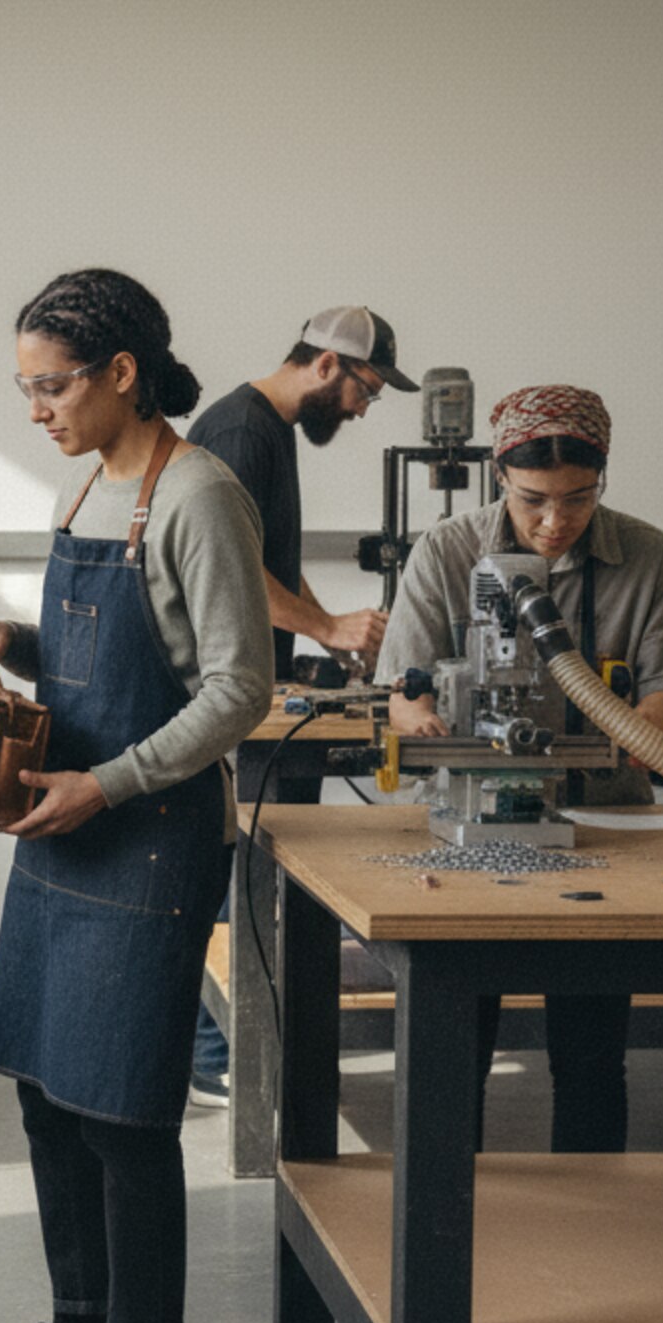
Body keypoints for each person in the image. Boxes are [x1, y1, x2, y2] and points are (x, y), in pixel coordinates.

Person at [0, 268, 270, 1323]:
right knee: (44, 1090)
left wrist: (110, 783)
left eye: (50, 386)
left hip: (145, 837)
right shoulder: (87, 486)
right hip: (61, 827)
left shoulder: (198, 494)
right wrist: (8, 642)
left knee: (123, 1112)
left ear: (120, 372)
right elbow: (92, 655)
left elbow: (239, 687)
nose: (36, 410)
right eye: (24, 389)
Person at [379, 384, 663, 1151]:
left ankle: (592, 1235)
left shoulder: (646, 553)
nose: (555, 522)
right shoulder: (449, 550)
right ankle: (446, 1221)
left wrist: (627, 738)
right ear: (500, 476)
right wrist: (422, 722)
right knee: (459, 1045)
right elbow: (404, 687)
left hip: (606, 829)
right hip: (468, 830)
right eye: (534, 501)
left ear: (602, 482)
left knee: (591, 1053)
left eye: (577, 499)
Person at [182, 305, 420, 1106]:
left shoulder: (268, 428)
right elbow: (232, 571)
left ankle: (230, 1044)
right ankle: (219, 1056)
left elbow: (269, 558)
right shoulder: (243, 432)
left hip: (256, 683)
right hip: (220, 689)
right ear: (328, 366)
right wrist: (325, 625)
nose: (362, 409)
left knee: (253, 859)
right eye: (366, 390)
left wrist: (330, 634)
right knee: (240, 861)